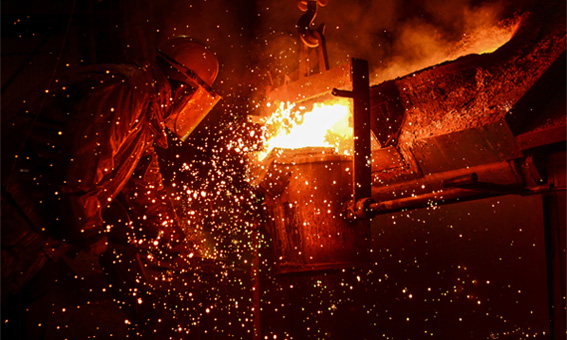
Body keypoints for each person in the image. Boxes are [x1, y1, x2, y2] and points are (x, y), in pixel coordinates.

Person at [1, 37, 221, 339]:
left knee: (31, 300)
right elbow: (83, 169)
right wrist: (90, 231)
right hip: (13, 207)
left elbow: (148, 189)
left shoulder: (146, 109)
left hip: (35, 219)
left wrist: (176, 242)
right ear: (185, 87)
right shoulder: (126, 91)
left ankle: (149, 321)